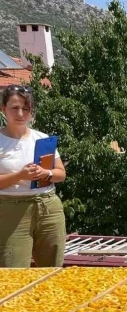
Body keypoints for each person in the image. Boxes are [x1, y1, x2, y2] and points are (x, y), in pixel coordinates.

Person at [0, 85, 67, 268]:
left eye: (26, 108)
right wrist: (20, 175)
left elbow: (61, 174)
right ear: (3, 108)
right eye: (15, 108)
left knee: (52, 268)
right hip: (11, 210)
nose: (21, 113)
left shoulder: (42, 138)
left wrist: (47, 173)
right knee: (12, 270)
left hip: (48, 206)